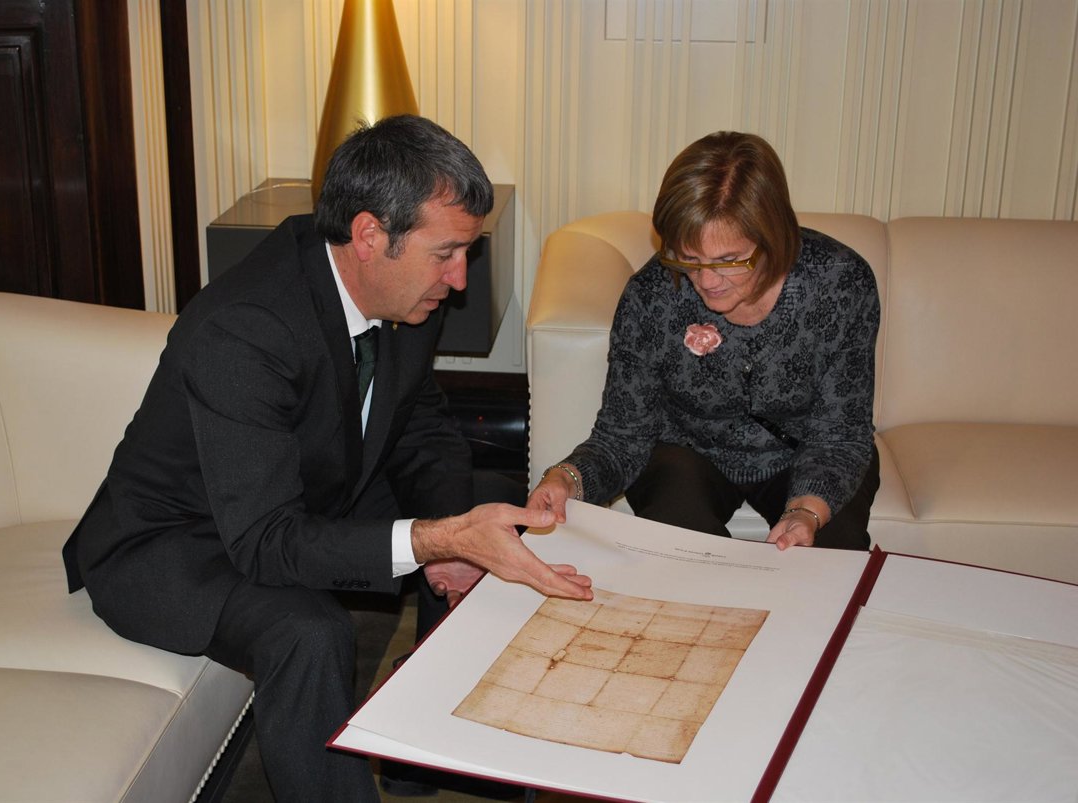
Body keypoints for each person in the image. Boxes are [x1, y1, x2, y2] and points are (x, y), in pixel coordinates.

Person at [62, 114, 591, 803]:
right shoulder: (245, 329)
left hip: (297, 490)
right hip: (178, 540)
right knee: (309, 632)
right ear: (369, 235)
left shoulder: (403, 289)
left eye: (468, 250)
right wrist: (436, 539)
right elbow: (265, 542)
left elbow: (419, 425)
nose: (460, 278)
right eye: (447, 252)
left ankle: (427, 743)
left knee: (481, 500)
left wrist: (452, 536)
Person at [528, 131, 880, 551]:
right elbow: (623, 436)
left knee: (831, 552)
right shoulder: (652, 295)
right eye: (689, 259)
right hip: (685, 450)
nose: (707, 281)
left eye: (729, 260)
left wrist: (806, 511)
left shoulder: (840, 283)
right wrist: (567, 478)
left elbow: (840, 432)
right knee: (682, 550)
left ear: (774, 237)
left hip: (808, 448)